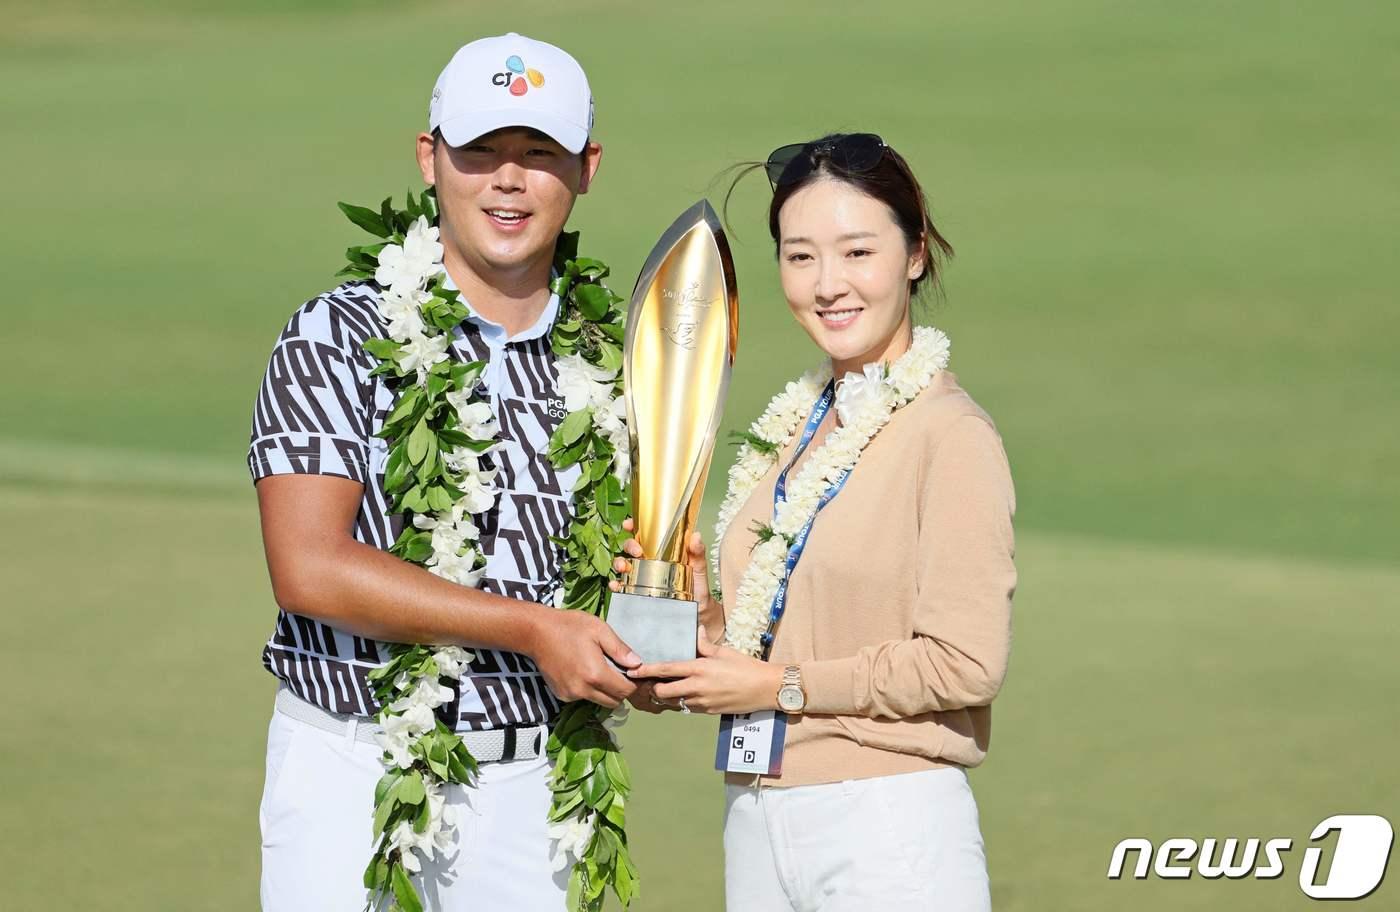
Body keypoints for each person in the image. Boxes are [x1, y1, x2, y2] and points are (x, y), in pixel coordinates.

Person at [248, 33, 638, 910]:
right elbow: (308, 565)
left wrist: (666, 636)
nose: (509, 179)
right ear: (430, 158)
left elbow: (628, 562)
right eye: (480, 152)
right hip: (353, 768)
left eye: (540, 154)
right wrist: (536, 630)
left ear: (587, 169)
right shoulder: (337, 333)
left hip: (544, 780)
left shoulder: (616, 363)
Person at [623, 133, 1017, 910]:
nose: (828, 284)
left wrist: (776, 684)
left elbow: (965, 664)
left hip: (886, 826)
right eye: (800, 257)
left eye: (857, 252)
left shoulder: (951, 435)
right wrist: (693, 623)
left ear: (914, 254)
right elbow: (780, 631)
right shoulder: (798, 427)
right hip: (757, 815)